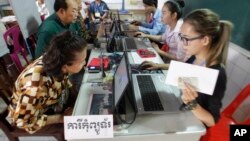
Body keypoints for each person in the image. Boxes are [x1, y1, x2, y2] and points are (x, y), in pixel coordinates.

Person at [7, 30, 88, 134]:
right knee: (79, 129)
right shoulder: (35, 86)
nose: (85, 63)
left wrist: (74, 103)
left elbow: (63, 83)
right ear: (65, 66)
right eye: (82, 61)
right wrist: (60, 118)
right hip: (29, 117)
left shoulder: (56, 59)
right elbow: (22, 121)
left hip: (49, 103)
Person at [178, 9, 233, 127]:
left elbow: (212, 120)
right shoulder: (194, 58)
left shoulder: (216, 74)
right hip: (182, 111)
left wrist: (191, 103)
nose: (182, 43)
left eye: (186, 39)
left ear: (205, 40)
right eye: (181, 37)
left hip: (194, 125)